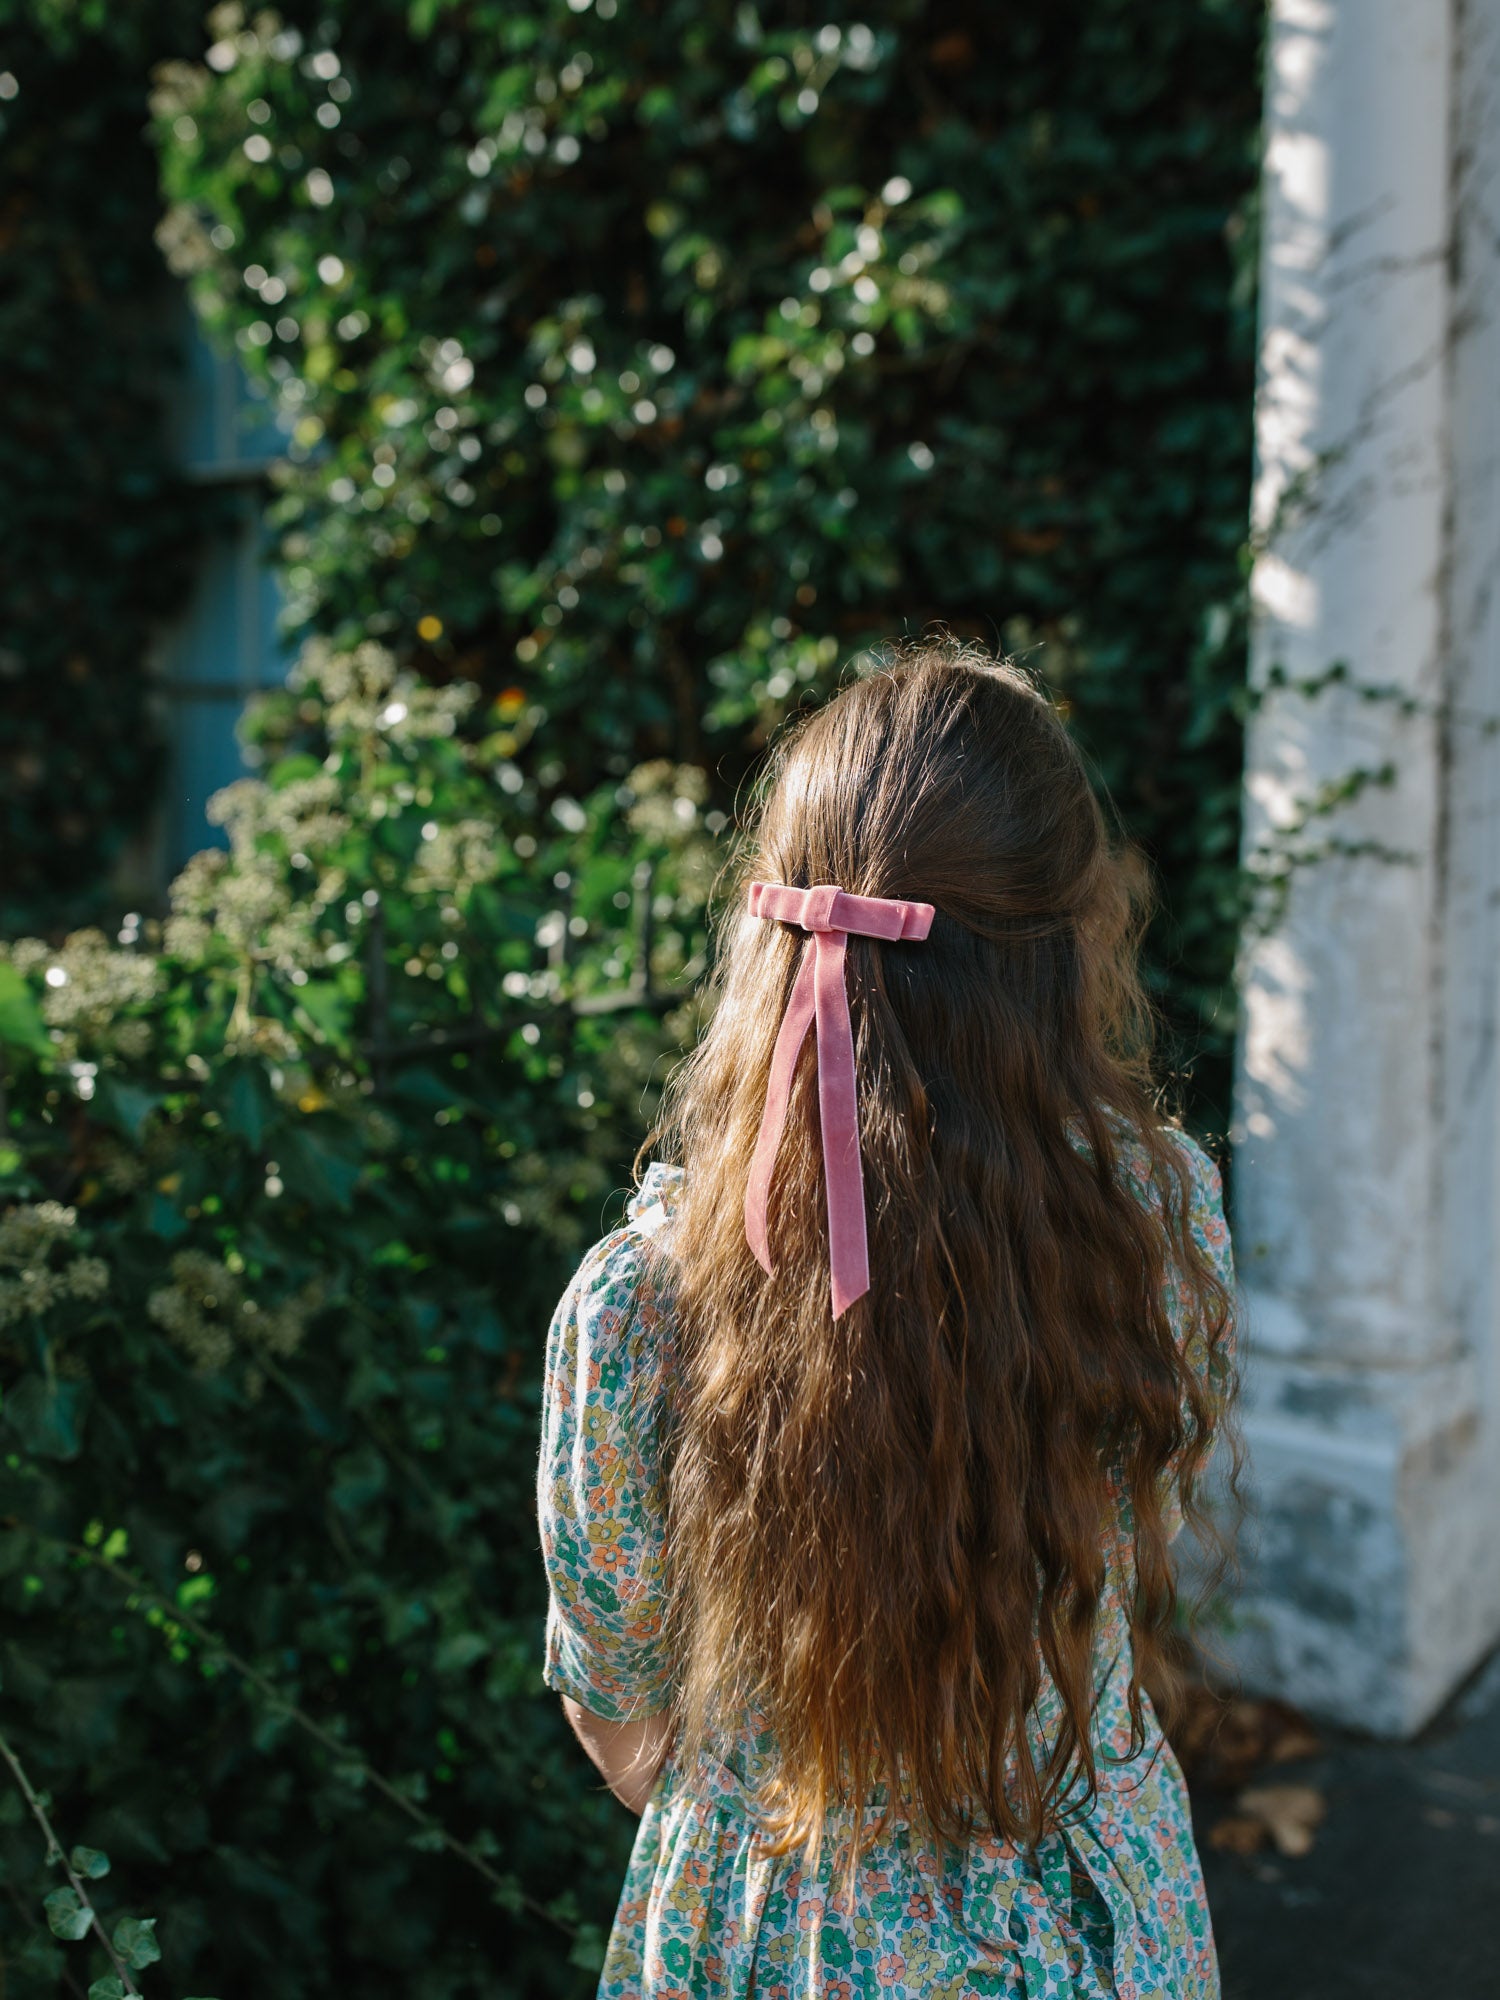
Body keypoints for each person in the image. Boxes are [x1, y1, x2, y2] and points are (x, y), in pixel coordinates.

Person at [536, 640, 1238, 1999]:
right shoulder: (1159, 1223)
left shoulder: (638, 1306)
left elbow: (617, 1716)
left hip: (778, 1934)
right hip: (1094, 1910)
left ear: (774, 929)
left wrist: (789, 1828)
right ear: (1070, 932)